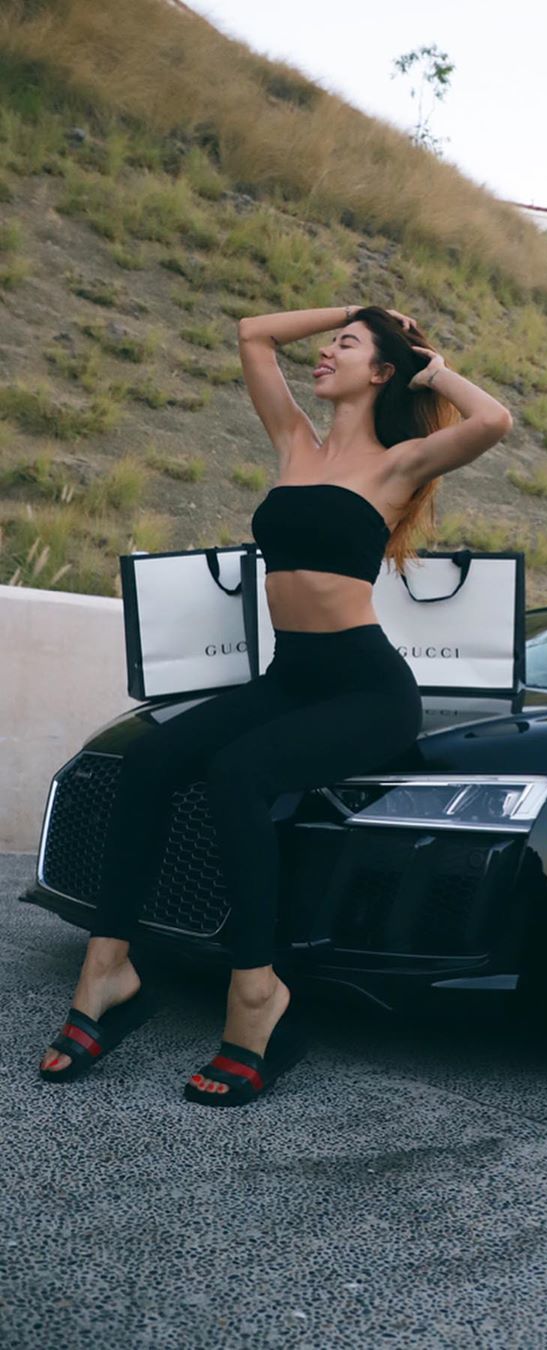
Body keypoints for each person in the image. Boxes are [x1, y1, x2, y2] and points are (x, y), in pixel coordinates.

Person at [37, 303, 514, 1106]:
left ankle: (257, 992)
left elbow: (494, 420)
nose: (324, 353)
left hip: (365, 689)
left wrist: (429, 366)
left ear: (382, 372)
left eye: (346, 346)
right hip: (288, 676)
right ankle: (107, 968)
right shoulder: (295, 442)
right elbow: (254, 332)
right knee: (151, 761)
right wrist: (356, 310)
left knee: (238, 773)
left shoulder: (399, 464)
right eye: (329, 343)